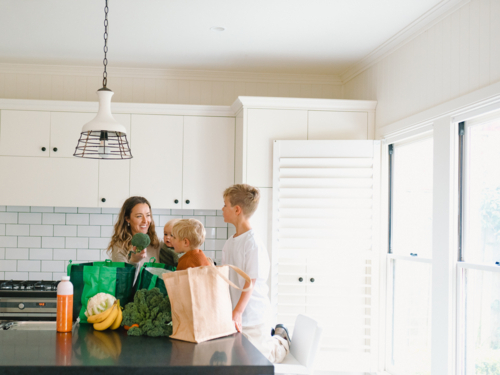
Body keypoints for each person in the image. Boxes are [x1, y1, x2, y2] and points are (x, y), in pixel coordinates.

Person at [221, 184, 290, 363]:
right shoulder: (230, 243)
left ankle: (281, 340)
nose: (222, 209)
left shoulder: (253, 243)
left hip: (253, 315)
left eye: (225, 205)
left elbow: (249, 282)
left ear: (237, 209)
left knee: (261, 360)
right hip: (237, 314)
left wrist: (237, 311)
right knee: (239, 361)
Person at [106, 196, 160, 267]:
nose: (145, 221)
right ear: (127, 218)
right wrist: (134, 261)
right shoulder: (119, 247)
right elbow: (123, 277)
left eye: (148, 215)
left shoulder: (157, 243)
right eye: (139, 216)